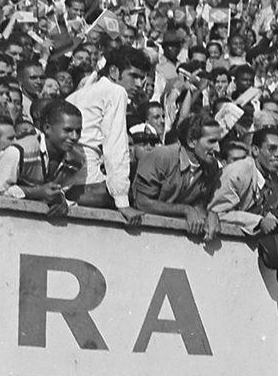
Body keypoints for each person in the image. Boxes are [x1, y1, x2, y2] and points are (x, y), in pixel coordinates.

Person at [66, 46, 149, 225]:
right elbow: (115, 147)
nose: (139, 84)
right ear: (113, 71)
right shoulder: (116, 91)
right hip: (86, 181)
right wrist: (122, 202)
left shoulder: (77, 94)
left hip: (68, 177)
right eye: (133, 76)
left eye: (142, 78)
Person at [129, 114, 225, 241]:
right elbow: (142, 203)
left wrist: (210, 216)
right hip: (137, 234)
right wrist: (185, 210)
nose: (217, 148)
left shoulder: (211, 167)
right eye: (211, 141)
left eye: (218, 141)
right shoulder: (163, 157)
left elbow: (199, 203)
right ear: (191, 141)